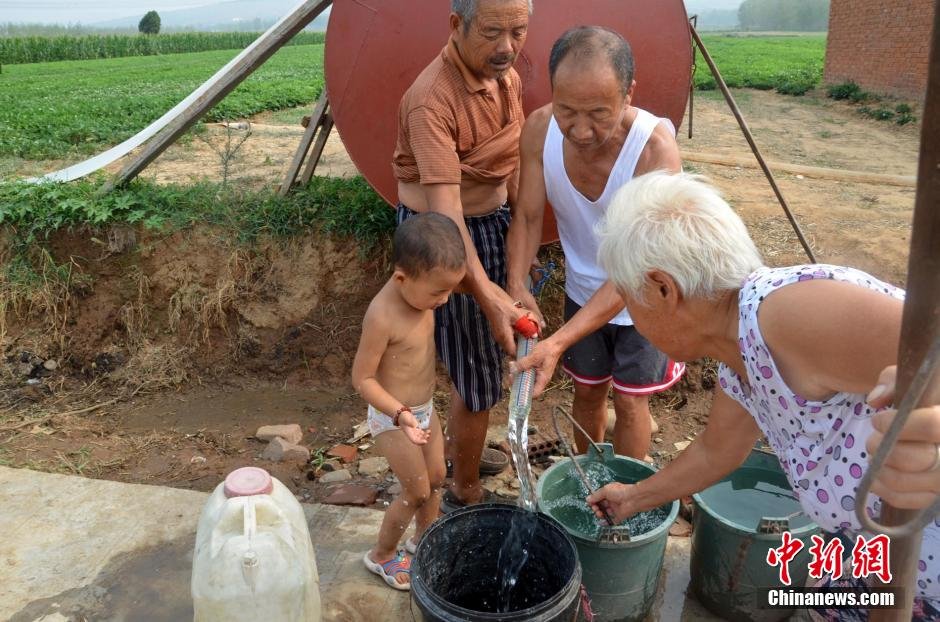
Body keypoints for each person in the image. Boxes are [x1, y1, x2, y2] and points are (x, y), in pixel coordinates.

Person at [579, 171, 940, 617]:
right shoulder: (740, 350)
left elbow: (931, 355)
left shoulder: (790, 313)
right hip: (874, 566)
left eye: (629, 299)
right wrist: (633, 498)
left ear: (662, 289)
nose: (632, 315)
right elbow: (717, 450)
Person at [505, 26, 684, 460]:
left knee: (629, 401)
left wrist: (558, 340)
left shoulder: (654, 151)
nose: (581, 130)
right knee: (586, 394)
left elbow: (635, 272)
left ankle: (626, 502)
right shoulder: (539, 130)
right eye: (568, 110)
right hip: (582, 292)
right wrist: (515, 283)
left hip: (648, 298)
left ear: (628, 95)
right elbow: (528, 215)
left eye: (598, 114)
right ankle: (589, 491)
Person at [392, 0, 533, 510]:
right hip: (442, 238)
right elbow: (447, 214)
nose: (508, 47)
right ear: (457, 26)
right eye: (493, 32)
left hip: (492, 225)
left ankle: (464, 451)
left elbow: (512, 162)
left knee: (502, 340)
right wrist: (487, 294)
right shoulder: (433, 99)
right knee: (476, 362)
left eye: (519, 31)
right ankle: (464, 489)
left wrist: (517, 264)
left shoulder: (507, 78)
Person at [352, 213, 466, 591]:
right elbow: (362, 379)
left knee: (435, 479)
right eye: (438, 293)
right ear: (402, 278)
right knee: (415, 490)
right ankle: (381, 555)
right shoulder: (383, 316)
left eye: (450, 290)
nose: (444, 299)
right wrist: (399, 414)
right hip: (393, 417)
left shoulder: (422, 295)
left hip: (423, 411)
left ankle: (424, 539)